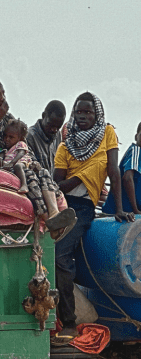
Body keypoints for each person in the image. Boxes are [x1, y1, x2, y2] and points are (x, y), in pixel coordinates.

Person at [53, 92, 134, 341]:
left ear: (97, 114)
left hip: (85, 207)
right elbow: (57, 184)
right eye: (79, 112)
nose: (83, 116)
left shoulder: (107, 133)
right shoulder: (66, 145)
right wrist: (83, 175)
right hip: (63, 204)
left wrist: (118, 209)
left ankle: (69, 321)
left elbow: (113, 170)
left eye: (88, 112)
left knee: (60, 255)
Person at [102, 123, 141, 215]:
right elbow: (127, 178)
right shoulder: (136, 150)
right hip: (125, 209)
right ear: (136, 137)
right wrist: (136, 210)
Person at [26, 100, 66, 172]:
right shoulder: (30, 136)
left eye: (58, 127)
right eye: (51, 125)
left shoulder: (58, 135)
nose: (54, 130)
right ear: (44, 116)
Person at [0, 119, 31, 193]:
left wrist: (12, 163)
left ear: (20, 138)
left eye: (11, 137)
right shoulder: (6, 148)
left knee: (18, 166)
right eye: (5, 136)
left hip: (21, 162)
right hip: (9, 164)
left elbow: (21, 153)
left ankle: (24, 185)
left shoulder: (20, 144)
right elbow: (1, 153)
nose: (7, 139)